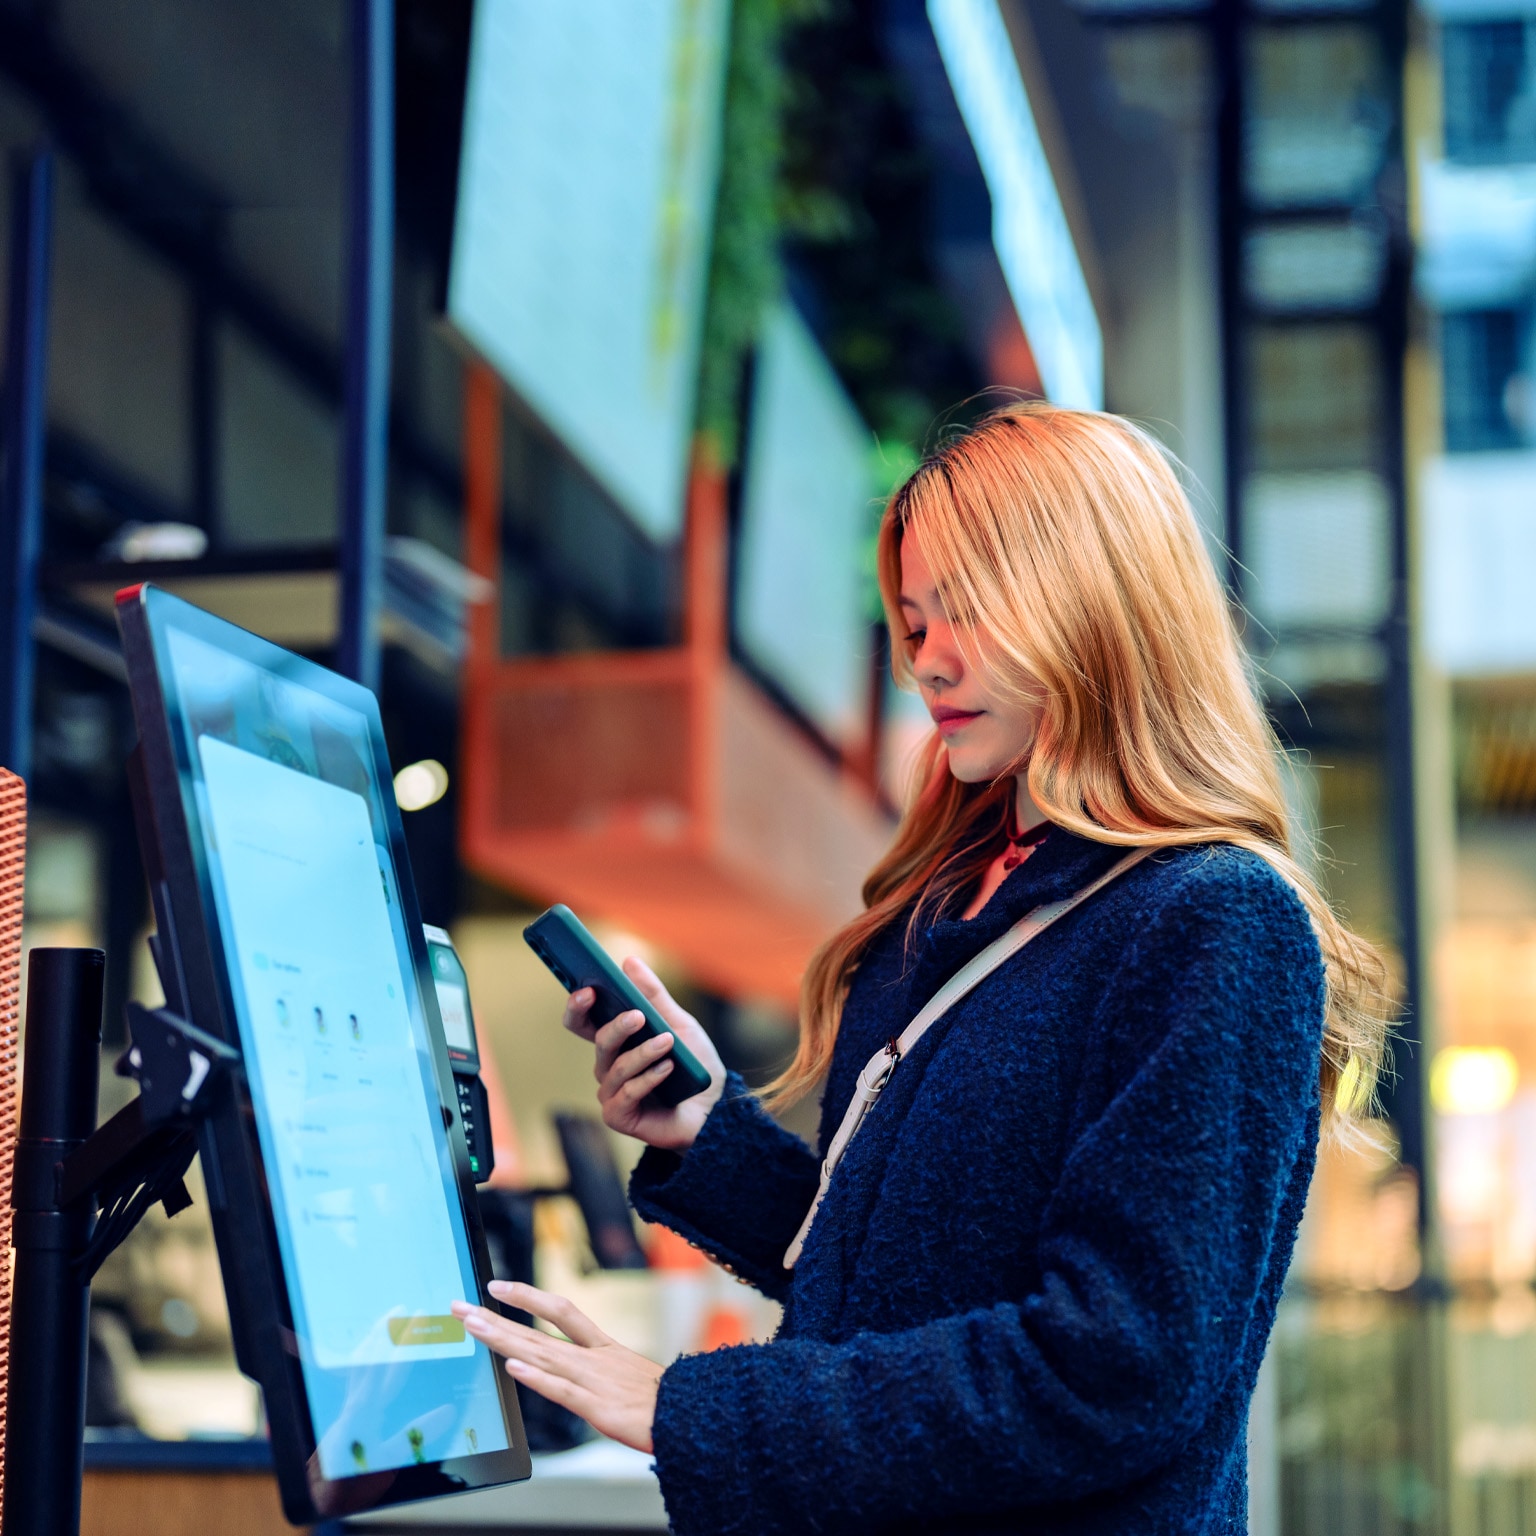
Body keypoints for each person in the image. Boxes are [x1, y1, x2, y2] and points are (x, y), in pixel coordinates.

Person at [452, 403, 1391, 1534]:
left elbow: (1111, 1371)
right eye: (913, 621)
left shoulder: (1215, 922)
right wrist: (708, 1137)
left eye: (969, 613)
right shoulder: (950, 907)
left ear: (1092, 606)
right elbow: (893, 1280)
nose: (928, 661)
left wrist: (698, 1411)